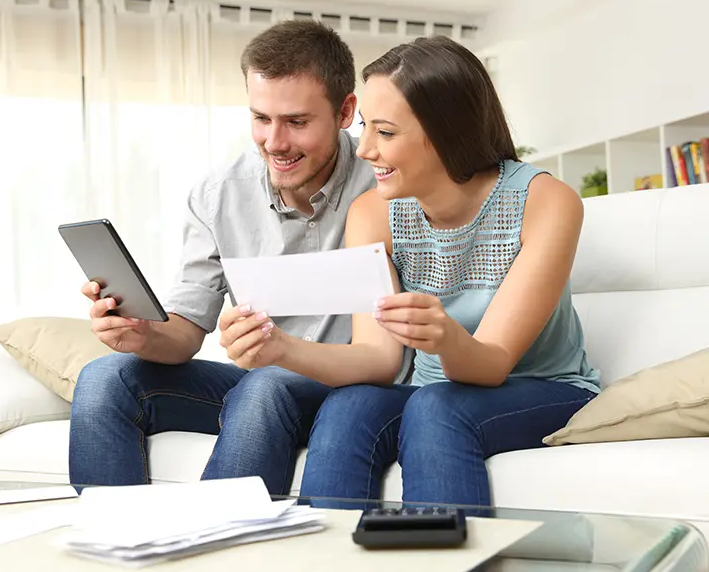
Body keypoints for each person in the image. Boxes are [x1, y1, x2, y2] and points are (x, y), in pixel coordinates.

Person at [219, 34, 601, 508]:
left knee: (436, 406)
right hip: (432, 393)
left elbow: (493, 362)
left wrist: (444, 338)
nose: (363, 150)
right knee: (349, 407)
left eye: (386, 132)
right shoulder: (373, 213)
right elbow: (378, 359)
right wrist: (280, 347)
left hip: (545, 388)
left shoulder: (545, 201)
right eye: (364, 127)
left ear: (445, 131)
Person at [67, 19, 406, 494]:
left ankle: (217, 548)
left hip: (351, 387)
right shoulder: (217, 194)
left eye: (297, 122)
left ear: (346, 111)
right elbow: (184, 333)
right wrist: (141, 333)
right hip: (261, 389)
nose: (274, 142)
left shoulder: (388, 183)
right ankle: (116, 549)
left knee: (266, 383)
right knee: (105, 377)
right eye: (261, 119)